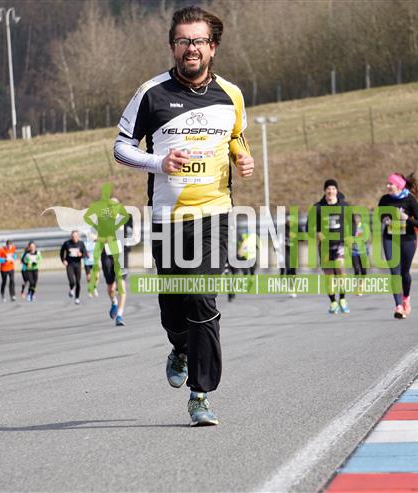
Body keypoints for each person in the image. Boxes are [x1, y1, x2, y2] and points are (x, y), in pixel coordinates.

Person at [113, 6, 254, 426]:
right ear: (173, 46)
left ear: (213, 47)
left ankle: (200, 394)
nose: (191, 48)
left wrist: (243, 158)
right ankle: (179, 346)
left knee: (202, 295)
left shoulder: (231, 95)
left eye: (198, 41)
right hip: (167, 219)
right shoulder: (151, 93)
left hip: (214, 213)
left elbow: (236, 136)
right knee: (174, 308)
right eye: (183, 41)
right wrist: (158, 162)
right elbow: (121, 147)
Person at [377, 172, 418, 319]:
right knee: (394, 272)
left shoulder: (410, 200)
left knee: (404, 273)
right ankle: (398, 306)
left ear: (398, 186)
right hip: (390, 238)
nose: (387, 186)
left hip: (407, 239)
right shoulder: (384, 200)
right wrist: (385, 220)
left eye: (390, 184)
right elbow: (380, 215)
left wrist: (406, 218)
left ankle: (406, 299)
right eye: (388, 183)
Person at [315, 179, 350, 314]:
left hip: (340, 243)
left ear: (337, 191)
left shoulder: (344, 206)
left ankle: (342, 299)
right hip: (325, 246)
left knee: (340, 269)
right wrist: (317, 233)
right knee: (329, 274)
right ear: (325, 191)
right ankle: (333, 302)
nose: (331, 191)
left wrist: (350, 235)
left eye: (333, 188)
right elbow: (309, 226)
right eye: (328, 189)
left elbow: (352, 222)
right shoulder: (318, 207)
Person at [101, 220, 132, 326]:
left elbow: (135, 229)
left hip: (121, 254)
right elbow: (91, 234)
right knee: (111, 288)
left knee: (121, 285)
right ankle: (114, 301)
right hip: (107, 253)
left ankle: (119, 315)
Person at [60, 230, 87, 305]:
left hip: (77, 265)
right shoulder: (67, 243)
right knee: (72, 281)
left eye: (76, 236)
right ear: (71, 237)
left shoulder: (81, 244)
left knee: (78, 282)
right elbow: (62, 251)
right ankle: (71, 289)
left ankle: (77, 298)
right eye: (73, 236)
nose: (74, 238)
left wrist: (81, 255)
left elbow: (85, 254)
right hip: (69, 265)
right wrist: (63, 260)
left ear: (78, 237)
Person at [351, 214, 368, 296]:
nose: (356, 220)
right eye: (355, 219)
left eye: (357, 218)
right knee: (357, 269)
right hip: (353, 252)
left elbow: (366, 237)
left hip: (363, 252)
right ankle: (358, 288)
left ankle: (362, 284)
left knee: (363, 270)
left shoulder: (364, 226)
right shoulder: (351, 227)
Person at [84, 233, 99, 297]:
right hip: (87, 262)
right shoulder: (85, 244)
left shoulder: (96, 244)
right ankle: (90, 290)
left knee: (96, 277)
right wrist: (85, 254)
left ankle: (94, 288)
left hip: (95, 262)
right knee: (89, 277)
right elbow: (82, 251)